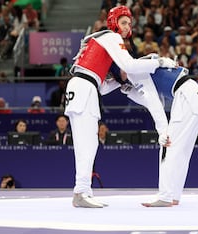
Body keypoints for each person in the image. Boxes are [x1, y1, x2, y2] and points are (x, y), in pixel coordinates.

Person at [64, 6, 177, 208]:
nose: (127, 28)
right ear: (114, 22)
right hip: (84, 87)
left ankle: (83, 191)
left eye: (130, 24)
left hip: (85, 87)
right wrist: (159, 61)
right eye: (124, 22)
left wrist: (119, 81)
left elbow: (105, 88)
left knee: (88, 143)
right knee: (87, 144)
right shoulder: (111, 37)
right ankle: (80, 192)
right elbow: (131, 65)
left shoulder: (102, 42)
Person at [102, 62, 198, 207]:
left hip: (186, 97)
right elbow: (155, 99)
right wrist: (130, 91)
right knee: (182, 152)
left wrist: (162, 131)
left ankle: (165, 196)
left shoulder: (135, 70)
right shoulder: (141, 68)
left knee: (168, 145)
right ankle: (174, 195)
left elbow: (154, 103)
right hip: (194, 96)